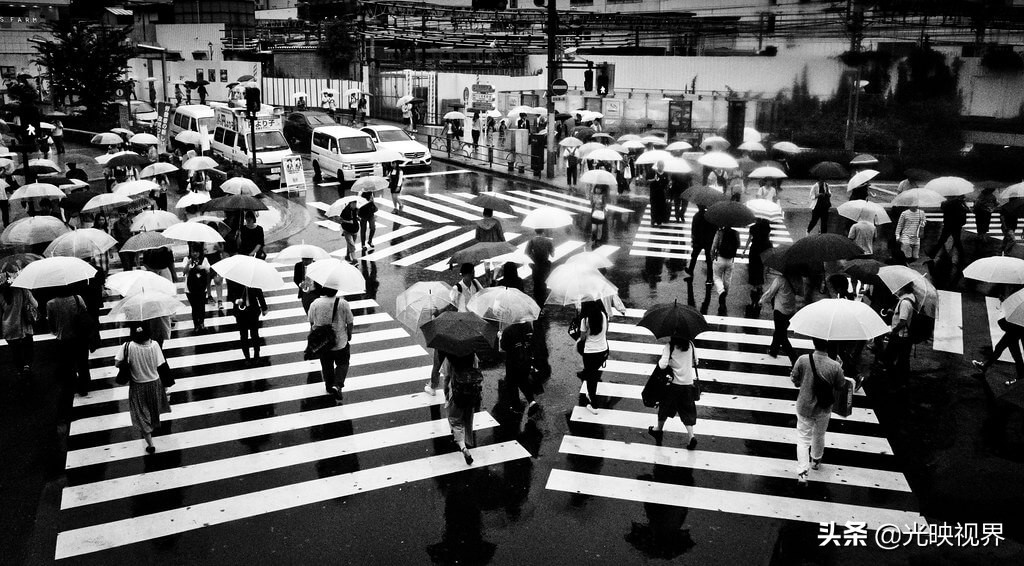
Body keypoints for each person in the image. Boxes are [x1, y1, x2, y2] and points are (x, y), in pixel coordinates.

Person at [791, 338, 846, 484]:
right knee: (819, 434)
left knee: (803, 439)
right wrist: (840, 367)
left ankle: (802, 473)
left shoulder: (803, 359)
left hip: (804, 406)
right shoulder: (835, 365)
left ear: (814, 342)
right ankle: (816, 460)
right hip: (824, 408)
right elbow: (841, 385)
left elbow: (795, 380)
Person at [115, 325, 172, 454]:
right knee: (152, 411)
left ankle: (150, 442)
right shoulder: (155, 345)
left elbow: (117, 362)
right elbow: (160, 364)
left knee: (141, 414)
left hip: (138, 385)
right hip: (154, 384)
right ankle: (151, 428)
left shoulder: (128, 346)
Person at [647, 337, 699, 450]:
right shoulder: (690, 344)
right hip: (688, 383)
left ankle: (658, 429)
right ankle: (691, 436)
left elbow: (662, 365)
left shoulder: (669, 346)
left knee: (664, 407)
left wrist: (666, 359)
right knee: (686, 410)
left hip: (673, 385)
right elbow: (696, 361)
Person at [308, 284, 355, 401]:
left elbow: (311, 321)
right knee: (343, 363)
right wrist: (349, 334)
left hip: (323, 343)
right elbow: (350, 322)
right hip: (340, 341)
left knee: (326, 364)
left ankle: (329, 386)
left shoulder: (315, 303)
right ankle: (337, 384)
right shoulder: (343, 303)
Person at [46, 290, 94, 396]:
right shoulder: (77, 298)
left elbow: (51, 322)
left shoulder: (50, 303)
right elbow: (85, 312)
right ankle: (84, 387)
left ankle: (71, 386)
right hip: (80, 337)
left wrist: (56, 330)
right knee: (83, 363)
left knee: (68, 364)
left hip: (63, 339)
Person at [442, 352, 483, 465]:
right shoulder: (472, 355)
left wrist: (446, 393)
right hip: (471, 392)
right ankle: (468, 440)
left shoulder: (449, 358)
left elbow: (446, 378)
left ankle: (463, 447)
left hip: (456, 393)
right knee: (468, 418)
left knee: (455, 421)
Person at [0, 273, 37, 377]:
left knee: (16, 352)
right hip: (24, 327)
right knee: (28, 350)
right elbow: (35, 304)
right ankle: (27, 367)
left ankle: (20, 371)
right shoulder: (23, 290)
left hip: (8, 328)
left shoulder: (1, 293)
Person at [576, 300, 609, 414]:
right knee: (593, 373)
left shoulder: (585, 320)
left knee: (591, 378)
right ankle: (591, 395)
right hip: (603, 350)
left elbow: (583, 338)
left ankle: (593, 404)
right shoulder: (603, 316)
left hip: (590, 353)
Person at [760, 268, 798, 363]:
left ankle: (794, 359)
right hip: (791, 311)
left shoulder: (780, 280)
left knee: (782, 336)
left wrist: (761, 300)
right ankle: (773, 350)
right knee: (780, 331)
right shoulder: (798, 279)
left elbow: (770, 292)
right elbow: (801, 292)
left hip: (779, 310)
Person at [501, 320, 539, 413]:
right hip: (526, 359)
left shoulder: (508, 330)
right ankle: (532, 401)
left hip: (512, 361)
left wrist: (500, 337)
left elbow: (504, 347)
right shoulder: (528, 326)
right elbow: (533, 342)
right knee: (523, 380)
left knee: (511, 383)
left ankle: (516, 406)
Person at [973, 318, 1024, 386]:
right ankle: (985, 366)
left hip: (1013, 333)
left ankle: (985, 366)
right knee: (1003, 350)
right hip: (1014, 332)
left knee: (1004, 350)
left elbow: (1003, 324)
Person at [879, 283, 915, 375]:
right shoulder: (906, 301)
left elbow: (903, 321)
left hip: (900, 336)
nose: (896, 291)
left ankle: (892, 377)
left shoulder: (905, 303)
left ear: (903, 289)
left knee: (891, 357)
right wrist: (893, 312)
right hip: (901, 336)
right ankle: (896, 376)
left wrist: (893, 332)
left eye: (898, 289)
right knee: (901, 358)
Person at [228, 280, 267, 362]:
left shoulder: (253, 279)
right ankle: (247, 357)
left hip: (253, 310)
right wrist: (236, 301)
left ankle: (257, 354)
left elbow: (259, 293)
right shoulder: (234, 280)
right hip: (240, 312)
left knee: (255, 334)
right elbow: (230, 295)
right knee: (243, 335)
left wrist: (264, 307)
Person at [742, 216, 773, 307]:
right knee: (760, 267)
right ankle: (760, 285)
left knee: (753, 267)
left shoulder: (753, 228)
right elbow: (768, 238)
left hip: (754, 250)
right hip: (763, 250)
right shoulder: (766, 227)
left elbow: (749, 239)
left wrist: (744, 250)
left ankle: (754, 286)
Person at [929, 194, 968, 263]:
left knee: (943, 239)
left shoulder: (946, 203)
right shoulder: (959, 203)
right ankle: (962, 255)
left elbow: (942, 208)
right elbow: (966, 210)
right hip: (957, 225)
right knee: (956, 240)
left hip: (948, 224)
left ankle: (932, 253)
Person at [709, 225, 740, 314]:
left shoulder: (719, 232)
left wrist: (712, 256)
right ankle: (724, 294)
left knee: (717, 277)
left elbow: (714, 246)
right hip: (730, 259)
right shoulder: (735, 233)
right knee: (727, 279)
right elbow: (738, 245)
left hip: (719, 258)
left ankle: (721, 291)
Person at [183, 245, 211, 333]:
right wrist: (188, 264)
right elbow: (184, 272)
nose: (195, 254)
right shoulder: (186, 259)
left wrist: (203, 267)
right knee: (194, 307)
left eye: (197, 252)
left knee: (202, 306)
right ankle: (196, 325)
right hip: (190, 288)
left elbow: (208, 270)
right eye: (193, 252)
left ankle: (202, 323)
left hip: (201, 287)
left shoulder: (204, 259)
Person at [684, 205, 715, 282]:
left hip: (698, 240)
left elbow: (693, 229)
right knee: (708, 258)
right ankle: (710, 275)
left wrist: (693, 239)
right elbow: (714, 228)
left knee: (694, 256)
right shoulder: (710, 216)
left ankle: (691, 270)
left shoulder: (696, 216)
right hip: (708, 240)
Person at [525, 228, 554, 305]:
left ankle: (537, 300)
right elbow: (552, 255)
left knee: (536, 282)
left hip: (535, 265)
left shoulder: (531, 241)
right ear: (543, 231)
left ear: (535, 231)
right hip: (544, 265)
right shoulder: (548, 241)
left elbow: (526, 252)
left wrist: (533, 257)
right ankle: (543, 300)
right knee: (543, 282)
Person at [649, 161, 670, 226]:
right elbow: (647, 181)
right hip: (654, 193)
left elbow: (666, 183)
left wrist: (669, 184)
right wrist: (653, 179)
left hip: (662, 194)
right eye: (660, 166)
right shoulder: (653, 172)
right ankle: (653, 220)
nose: (661, 167)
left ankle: (659, 221)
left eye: (662, 166)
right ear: (657, 166)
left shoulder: (665, 174)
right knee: (654, 207)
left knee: (661, 207)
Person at [339, 199, 359, 263]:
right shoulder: (345, 210)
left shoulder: (356, 209)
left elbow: (356, 217)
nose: (355, 205)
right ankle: (354, 259)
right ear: (350, 203)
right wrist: (348, 221)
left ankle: (347, 256)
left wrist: (358, 218)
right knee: (351, 244)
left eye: (355, 203)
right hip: (347, 230)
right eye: (353, 203)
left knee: (350, 244)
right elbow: (340, 219)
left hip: (355, 229)